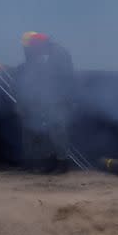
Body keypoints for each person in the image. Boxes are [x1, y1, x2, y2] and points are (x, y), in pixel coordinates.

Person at [14, 31, 75, 173]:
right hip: (47, 97)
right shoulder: (44, 53)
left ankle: (62, 162)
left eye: (31, 47)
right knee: (47, 129)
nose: (30, 51)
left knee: (57, 128)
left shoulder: (58, 53)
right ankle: (51, 161)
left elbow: (63, 77)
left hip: (59, 97)